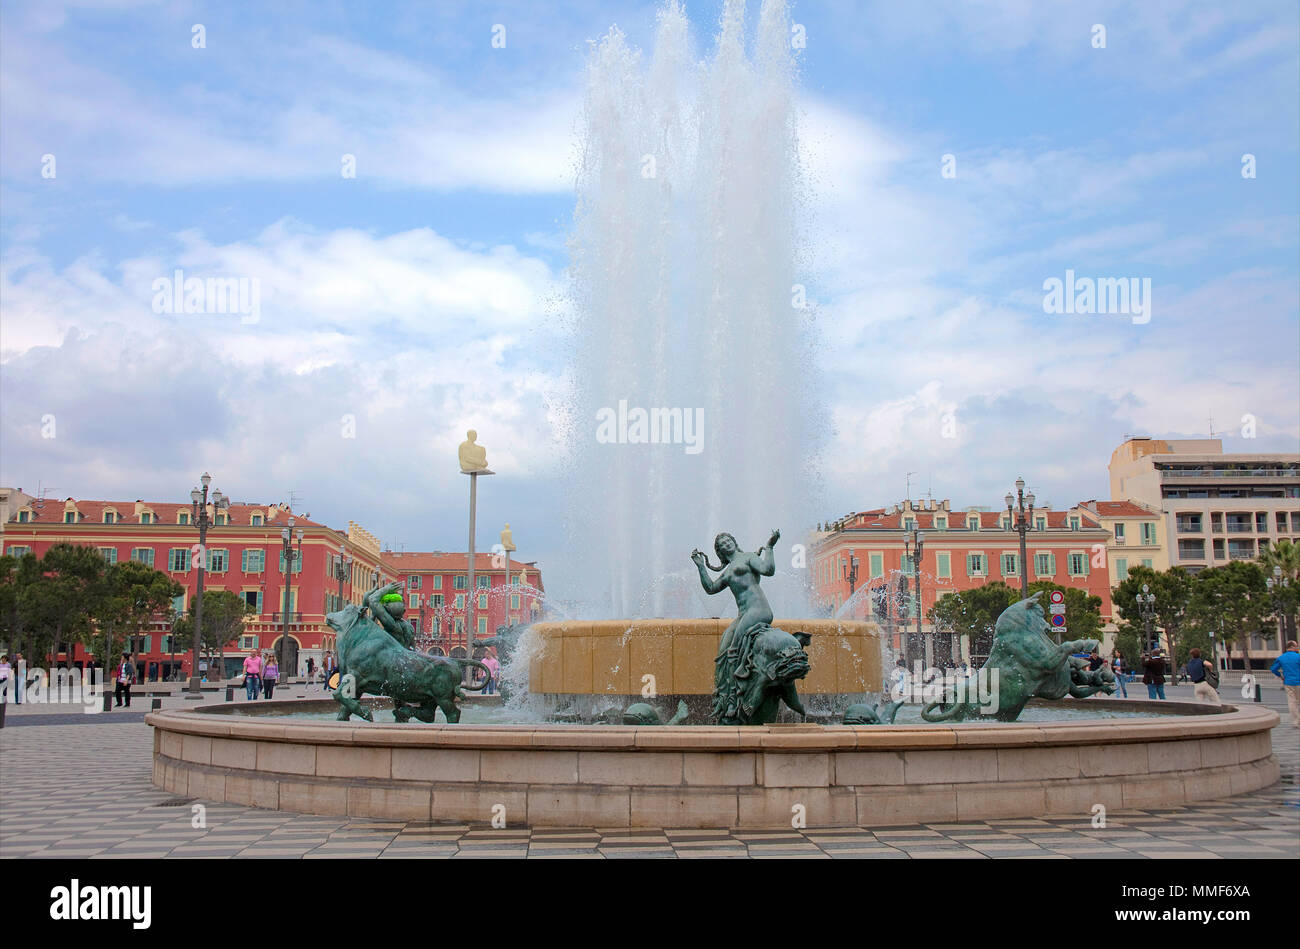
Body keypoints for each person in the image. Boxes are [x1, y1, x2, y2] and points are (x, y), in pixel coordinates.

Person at [1270, 640, 1300, 727]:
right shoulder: (1298, 657)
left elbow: (1273, 669)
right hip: (1299, 681)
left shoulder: (1281, 658)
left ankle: (1296, 721)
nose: (1297, 647)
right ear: (1292, 647)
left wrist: (1280, 676)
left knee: (1292, 702)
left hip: (1288, 682)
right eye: (1296, 646)